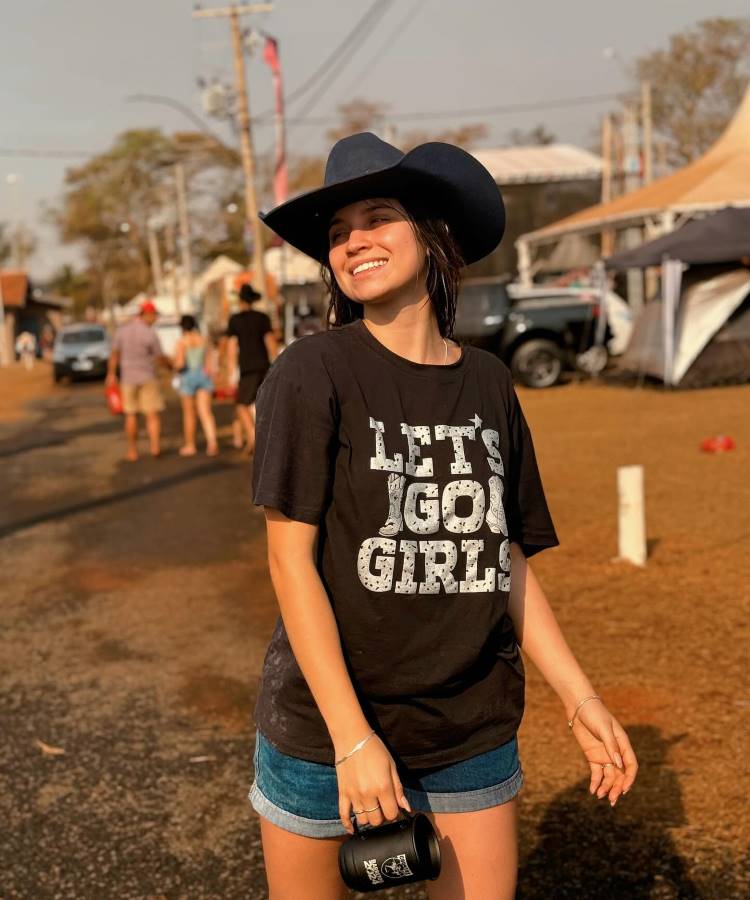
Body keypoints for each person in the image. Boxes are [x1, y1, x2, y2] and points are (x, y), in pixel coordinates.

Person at [249, 133, 639, 900]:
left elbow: (507, 563)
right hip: (323, 732)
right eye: (336, 233)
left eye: (378, 217)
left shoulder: (491, 384)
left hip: (468, 730)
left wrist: (579, 695)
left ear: (432, 236)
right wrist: (352, 737)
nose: (354, 241)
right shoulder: (312, 371)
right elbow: (288, 561)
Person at [107, 300, 170, 462]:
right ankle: (155, 448)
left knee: (131, 415)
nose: (155, 319)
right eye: (154, 315)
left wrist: (111, 374)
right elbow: (159, 357)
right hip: (148, 377)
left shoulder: (122, 330)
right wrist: (171, 367)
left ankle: (132, 451)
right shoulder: (150, 333)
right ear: (146, 315)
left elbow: (114, 354)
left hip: (128, 378)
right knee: (152, 415)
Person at [226, 283, 278, 454]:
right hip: (264, 365)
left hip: (247, 367)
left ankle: (253, 437)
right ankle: (266, 439)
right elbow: (270, 341)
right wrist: (277, 362)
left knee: (241, 404)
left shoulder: (235, 320)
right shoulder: (262, 317)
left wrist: (230, 370)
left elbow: (232, 347)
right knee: (264, 404)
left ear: (240, 300)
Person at [173, 314, 218, 457]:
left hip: (187, 378)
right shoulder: (203, 339)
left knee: (189, 414)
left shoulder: (182, 342)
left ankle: (190, 445)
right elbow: (209, 363)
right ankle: (212, 443)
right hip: (204, 376)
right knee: (205, 412)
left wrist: (173, 367)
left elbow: (180, 363)